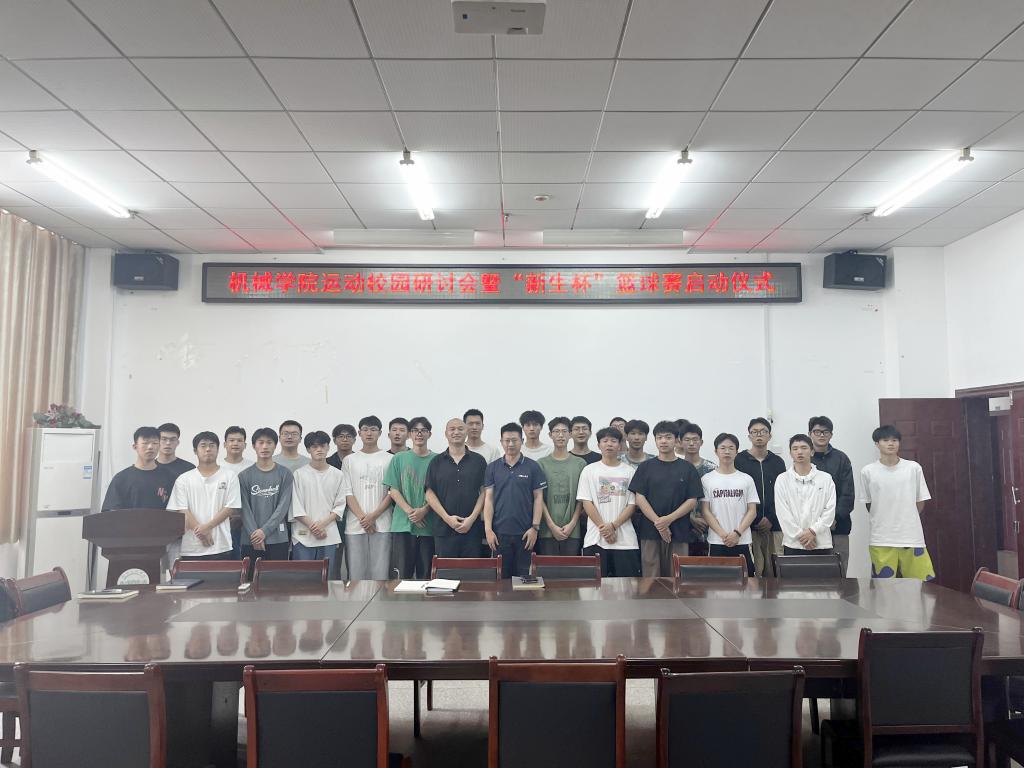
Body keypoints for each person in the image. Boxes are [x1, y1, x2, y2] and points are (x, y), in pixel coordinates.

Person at [861, 425, 935, 581]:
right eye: (885, 440)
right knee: (883, 587)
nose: (890, 444)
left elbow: (920, 501)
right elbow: (869, 504)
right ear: (877, 444)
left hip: (911, 536)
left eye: (894, 440)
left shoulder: (913, 468)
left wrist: (906, 516)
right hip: (881, 537)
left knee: (920, 584)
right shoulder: (868, 471)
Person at [629, 420, 703, 577]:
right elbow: (640, 498)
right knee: (651, 576)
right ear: (655, 440)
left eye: (668, 437)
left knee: (676, 575)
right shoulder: (645, 467)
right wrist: (659, 523)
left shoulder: (688, 468)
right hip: (650, 531)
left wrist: (668, 519)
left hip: (679, 532)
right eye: (659, 437)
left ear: (677, 441)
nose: (663, 441)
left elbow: (692, 500)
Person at [483, 423, 547, 577]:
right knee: (500, 578)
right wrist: (488, 529)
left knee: (524, 579)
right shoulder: (492, 468)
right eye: (507, 440)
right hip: (499, 534)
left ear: (522, 441)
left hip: (526, 534)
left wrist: (535, 528)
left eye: (514, 440)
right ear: (501, 442)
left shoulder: (533, 467)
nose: (510, 444)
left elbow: (538, 498)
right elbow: (488, 499)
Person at [577, 427, 641, 577]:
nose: (609, 444)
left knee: (628, 586)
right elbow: (587, 502)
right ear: (598, 445)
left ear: (620, 445)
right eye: (605, 441)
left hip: (625, 541)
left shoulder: (629, 471)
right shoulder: (589, 470)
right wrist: (605, 529)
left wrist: (613, 526)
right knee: (594, 586)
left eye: (613, 441)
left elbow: (632, 504)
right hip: (595, 539)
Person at [166, 431, 240, 561]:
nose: (208, 449)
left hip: (221, 545)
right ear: (195, 451)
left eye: (212, 445)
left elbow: (230, 507)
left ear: (218, 449)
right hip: (191, 547)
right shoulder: (184, 479)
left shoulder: (229, 476)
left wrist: (208, 527)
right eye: (203, 445)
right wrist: (201, 532)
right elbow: (182, 509)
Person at [426, 418, 488, 558]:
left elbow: (484, 491)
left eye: (460, 429)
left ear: (466, 432)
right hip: (443, 529)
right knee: (445, 571)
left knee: (472, 570)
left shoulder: (479, 461)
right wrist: (447, 518)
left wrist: (471, 518)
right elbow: (429, 493)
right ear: (446, 433)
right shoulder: (436, 462)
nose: (456, 432)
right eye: (452, 429)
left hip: (472, 529)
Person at [385, 416, 437, 579]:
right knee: (401, 575)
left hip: (429, 526)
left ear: (430, 434)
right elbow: (393, 490)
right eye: (415, 430)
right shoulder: (398, 458)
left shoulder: (438, 460)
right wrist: (411, 513)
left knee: (427, 576)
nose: (419, 434)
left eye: (423, 430)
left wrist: (424, 510)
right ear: (409, 434)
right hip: (403, 525)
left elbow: (440, 492)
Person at [343, 415, 394, 580]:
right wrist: (363, 519)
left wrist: (373, 517)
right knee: (356, 575)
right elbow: (347, 492)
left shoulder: (390, 459)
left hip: (383, 523)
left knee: (380, 573)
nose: (369, 433)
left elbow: (392, 492)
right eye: (365, 429)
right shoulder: (349, 460)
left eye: (373, 429)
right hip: (355, 525)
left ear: (380, 433)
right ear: (359, 433)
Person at [289, 431, 348, 574]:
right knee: (303, 579)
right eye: (314, 447)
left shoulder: (338, 474)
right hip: (303, 535)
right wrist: (313, 526)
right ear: (308, 449)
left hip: (329, 534)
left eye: (322, 446)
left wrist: (321, 525)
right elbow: (296, 506)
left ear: (328, 447)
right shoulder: (299, 474)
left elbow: (340, 505)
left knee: (327, 578)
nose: (319, 449)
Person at [701, 433, 759, 576]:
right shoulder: (707, 479)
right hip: (717, 541)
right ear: (716, 451)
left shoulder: (746, 479)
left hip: (742, 540)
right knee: (716, 582)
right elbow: (705, 511)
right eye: (723, 448)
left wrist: (737, 533)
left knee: (747, 581)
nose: (727, 452)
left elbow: (752, 511)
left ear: (737, 451)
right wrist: (723, 535)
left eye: (731, 448)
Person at [238, 428, 294, 575]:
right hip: (250, 539)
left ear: (275, 445)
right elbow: (244, 509)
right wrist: (255, 535)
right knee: (250, 581)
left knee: (277, 582)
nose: (265, 446)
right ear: (253, 446)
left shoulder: (285, 474)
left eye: (269, 443)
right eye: (260, 442)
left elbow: (283, 507)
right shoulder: (244, 476)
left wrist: (264, 531)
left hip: (278, 539)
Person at [734, 417, 785, 577]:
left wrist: (771, 517)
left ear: (770, 435)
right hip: (748, 526)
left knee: (774, 570)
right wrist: (753, 519)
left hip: (773, 525)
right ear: (749, 436)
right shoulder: (739, 460)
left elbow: (782, 494)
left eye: (763, 431)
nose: (759, 435)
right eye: (754, 432)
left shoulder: (778, 462)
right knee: (754, 570)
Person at [808, 416, 856, 575]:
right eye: (817, 431)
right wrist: (817, 524)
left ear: (831, 435)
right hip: (811, 527)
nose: (821, 435)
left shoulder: (841, 458)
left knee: (839, 572)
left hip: (838, 526)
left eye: (826, 432)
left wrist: (832, 519)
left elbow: (848, 494)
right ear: (810, 434)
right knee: (813, 574)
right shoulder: (804, 458)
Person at [775, 434, 836, 555]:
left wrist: (813, 531)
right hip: (793, 543)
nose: (799, 452)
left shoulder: (825, 478)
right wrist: (800, 536)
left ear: (812, 451)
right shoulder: (782, 479)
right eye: (795, 448)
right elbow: (783, 513)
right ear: (790, 453)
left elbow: (829, 510)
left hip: (820, 542)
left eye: (804, 448)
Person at [537, 417, 586, 556]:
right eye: (556, 431)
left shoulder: (580, 463)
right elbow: (539, 498)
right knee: (547, 568)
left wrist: (572, 524)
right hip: (547, 531)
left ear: (570, 434)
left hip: (573, 530)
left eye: (564, 431)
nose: (560, 435)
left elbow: (582, 499)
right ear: (550, 435)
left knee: (570, 569)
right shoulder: (541, 464)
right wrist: (551, 525)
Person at [101, 426, 174, 511]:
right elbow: (112, 512)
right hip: (129, 520)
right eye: (145, 443)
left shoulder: (169, 477)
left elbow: (175, 510)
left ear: (159, 446)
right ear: (135, 446)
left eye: (155, 443)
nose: (150, 447)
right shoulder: (121, 478)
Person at [678, 423, 718, 556]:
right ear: (680, 442)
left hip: (709, 527)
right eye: (687, 440)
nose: (691, 443)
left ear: (701, 442)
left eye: (695, 440)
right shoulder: (675, 468)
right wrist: (690, 518)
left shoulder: (712, 469)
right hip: (682, 527)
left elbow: (717, 498)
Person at [222, 426, 253, 559]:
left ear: (245, 445)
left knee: (246, 560)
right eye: (231, 440)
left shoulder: (252, 467)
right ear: (225, 444)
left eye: (239, 440)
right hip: (222, 522)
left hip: (248, 523)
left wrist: (243, 517)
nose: (235, 443)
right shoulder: (216, 466)